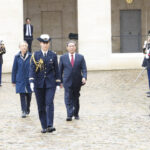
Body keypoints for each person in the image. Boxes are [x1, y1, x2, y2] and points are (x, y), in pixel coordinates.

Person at [29, 34, 60, 133]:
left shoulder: (53, 55)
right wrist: (31, 81)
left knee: (49, 103)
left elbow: (57, 69)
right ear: (40, 43)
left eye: (47, 43)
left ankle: (50, 124)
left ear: (49, 44)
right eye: (43, 43)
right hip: (38, 84)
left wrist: (58, 82)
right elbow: (32, 69)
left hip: (50, 84)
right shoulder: (35, 55)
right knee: (41, 105)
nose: (45, 45)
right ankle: (44, 126)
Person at [59, 40, 87, 121]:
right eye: (70, 46)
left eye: (73, 46)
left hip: (77, 81)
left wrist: (84, 77)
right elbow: (60, 71)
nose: (71, 47)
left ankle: (76, 113)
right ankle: (69, 114)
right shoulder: (63, 57)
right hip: (67, 81)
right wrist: (59, 81)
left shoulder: (80, 57)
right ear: (67, 47)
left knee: (76, 97)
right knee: (68, 97)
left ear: (75, 47)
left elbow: (84, 69)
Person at [12, 41, 32, 118]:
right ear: (19, 47)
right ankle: (23, 110)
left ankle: (27, 107)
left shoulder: (31, 56)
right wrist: (13, 80)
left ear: (27, 47)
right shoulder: (16, 57)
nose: (24, 47)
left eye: (25, 46)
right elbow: (14, 69)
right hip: (20, 79)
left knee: (29, 95)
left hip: (29, 79)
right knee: (22, 95)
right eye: (22, 46)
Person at [142, 31, 150, 97]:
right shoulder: (147, 44)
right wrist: (144, 46)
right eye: (148, 36)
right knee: (149, 78)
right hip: (148, 63)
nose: (148, 37)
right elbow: (144, 52)